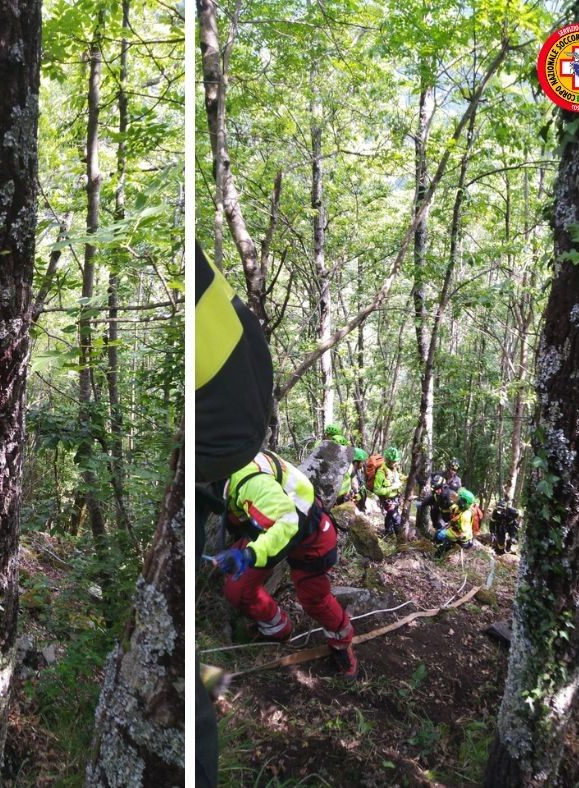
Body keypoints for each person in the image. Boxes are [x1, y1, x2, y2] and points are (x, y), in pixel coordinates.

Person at [196, 241, 274, 787]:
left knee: (237, 587)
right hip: (235, 409)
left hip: (229, 422)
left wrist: (246, 552)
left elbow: (288, 525)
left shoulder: (254, 483)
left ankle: (269, 629)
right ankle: (203, 675)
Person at [211, 450, 358, 679]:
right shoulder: (230, 469)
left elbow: (288, 521)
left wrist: (249, 555)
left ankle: (341, 643)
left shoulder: (248, 481)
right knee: (238, 590)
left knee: (315, 600)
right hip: (267, 531)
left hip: (310, 533)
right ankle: (278, 629)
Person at [435, 487, 477, 557]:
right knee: (440, 532)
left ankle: (440, 552)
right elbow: (453, 508)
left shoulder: (465, 516)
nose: (457, 498)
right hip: (456, 530)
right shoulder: (461, 508)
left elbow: (464, 534)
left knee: (439, 535)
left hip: (460, 537)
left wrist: (453, 536)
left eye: (459, 498)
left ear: (463, 501)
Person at [374, 446, 404, 537]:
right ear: (387, 460)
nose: (395, 463)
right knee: (396, 518)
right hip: (387, 499)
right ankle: (400, 539)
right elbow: (377, 490)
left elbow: (398, 477)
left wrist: (406, 478)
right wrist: (392, 488)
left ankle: (388, 532)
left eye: (396, 461)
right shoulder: (381, 472)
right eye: (393, 461)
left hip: (395, 498)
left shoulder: (394, 469)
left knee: (390, 516)